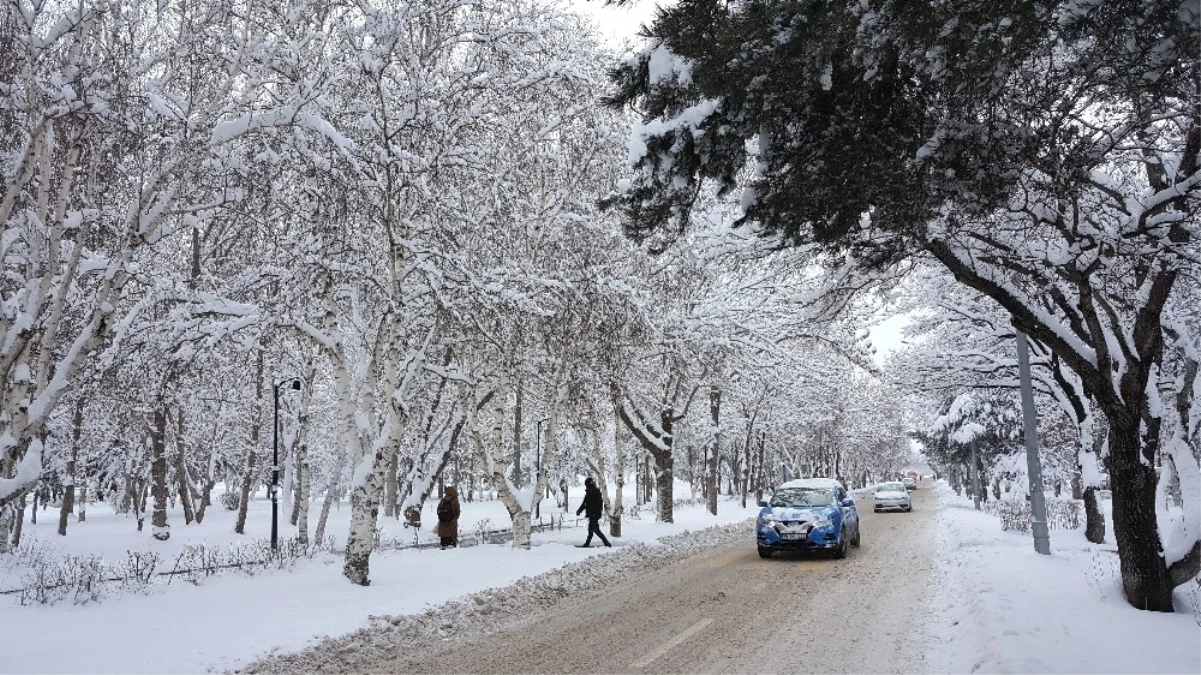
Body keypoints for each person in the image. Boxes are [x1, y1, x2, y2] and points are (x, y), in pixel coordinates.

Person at [576, 476, 610, 548]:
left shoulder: (590, 491)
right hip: (595, 513)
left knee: (595, 529)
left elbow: (586, 503)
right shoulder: (596, 491)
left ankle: (606, 543)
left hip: (593, 513)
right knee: (591, 529)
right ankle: (587, 543)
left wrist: (580, 510)